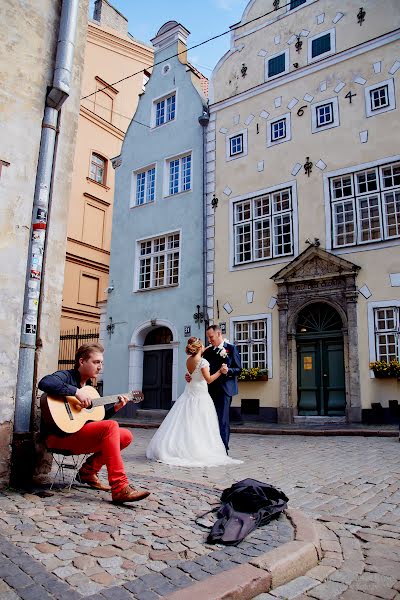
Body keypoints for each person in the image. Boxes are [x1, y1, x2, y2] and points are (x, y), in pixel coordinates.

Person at [38, 343, 150, 504]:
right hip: (58, 436)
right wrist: (76, 392)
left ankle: (88, 472)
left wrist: (115, 408)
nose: (100, 367)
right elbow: (45, 383)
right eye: (96, 362)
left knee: (125, 436)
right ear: (82, 361)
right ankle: (120, 488)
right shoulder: (66, 376)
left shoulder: (91, 389)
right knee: (112, 427)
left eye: (101, 363)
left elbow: (96, 421)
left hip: (77, 434)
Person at [146, 337, 242, 467]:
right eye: (203, 345)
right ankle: (196, 449)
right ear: (200, 347)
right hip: (200, 394)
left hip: (189, 391)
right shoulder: (203, 362)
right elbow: (208, 380)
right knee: (201, 422)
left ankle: (180, 446)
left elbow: (191, 374)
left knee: (187, 421)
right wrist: (220, 371)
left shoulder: (189, 360)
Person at [187, 325, 241, 453]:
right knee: (208, 420)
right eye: (208, 337)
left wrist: (228, 370)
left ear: (218, 334)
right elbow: (199, 367)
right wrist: (190, 375)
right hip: (207, 390)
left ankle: (223, 449)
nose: (209, 340)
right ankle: (210, 448)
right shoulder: (208, 351)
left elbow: (239, 369)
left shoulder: (231, 349)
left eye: (211, 337)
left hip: (225, 390)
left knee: (222, 420)